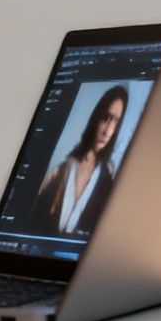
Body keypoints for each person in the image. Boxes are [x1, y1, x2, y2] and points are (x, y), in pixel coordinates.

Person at [31, 85, 130, 236]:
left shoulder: (107, 181)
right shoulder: (61, 169)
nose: (108, 131)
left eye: (116, 122)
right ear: (96, 118)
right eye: (106, 118)